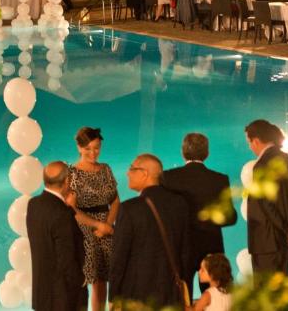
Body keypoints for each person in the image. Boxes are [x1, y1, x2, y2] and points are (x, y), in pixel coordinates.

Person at [109, 153, 190, 309]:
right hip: (171, 294)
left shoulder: (129, 208)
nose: (127, 173)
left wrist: (113, 296)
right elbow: (185, 252)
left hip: (136, 297)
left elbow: (118, 258)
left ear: (144, 173)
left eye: (132, 168)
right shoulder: (180, 204)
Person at [161, 133, 237, 296]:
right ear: (207, 153)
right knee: (215, 296)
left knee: (182, 296)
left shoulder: (168, 177)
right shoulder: (220, 179)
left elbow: (165, 214)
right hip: (211, 246)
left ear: (183, 152)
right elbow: (230, 217)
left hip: (181, 246)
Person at [244, 119, 288, 276]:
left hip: (266, 242)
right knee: (283, 286)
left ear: (256, 141)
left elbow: (266, 204)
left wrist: (285, 229)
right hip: (285, 241)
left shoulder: (262, 164)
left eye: (249, 142)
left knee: (266, 292)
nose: (250, 147)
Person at [68, 127, 119, 311]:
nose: (93, 153)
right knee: (84, 282)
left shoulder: (105, 169)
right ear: (79, 148)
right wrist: (98, 225)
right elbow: (71, 209)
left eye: (96, 148)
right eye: (88, 148)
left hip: (106, 230)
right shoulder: (71, 173)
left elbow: (115, 200)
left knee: (103, 282)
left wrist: (106, 225)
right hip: (83, 230)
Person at [27, 161, 87, 311]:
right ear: (67, 181)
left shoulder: (33, 204)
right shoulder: (63, 214)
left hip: (42, 294)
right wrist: (82, 280)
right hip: (64, 298)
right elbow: (66, 260)